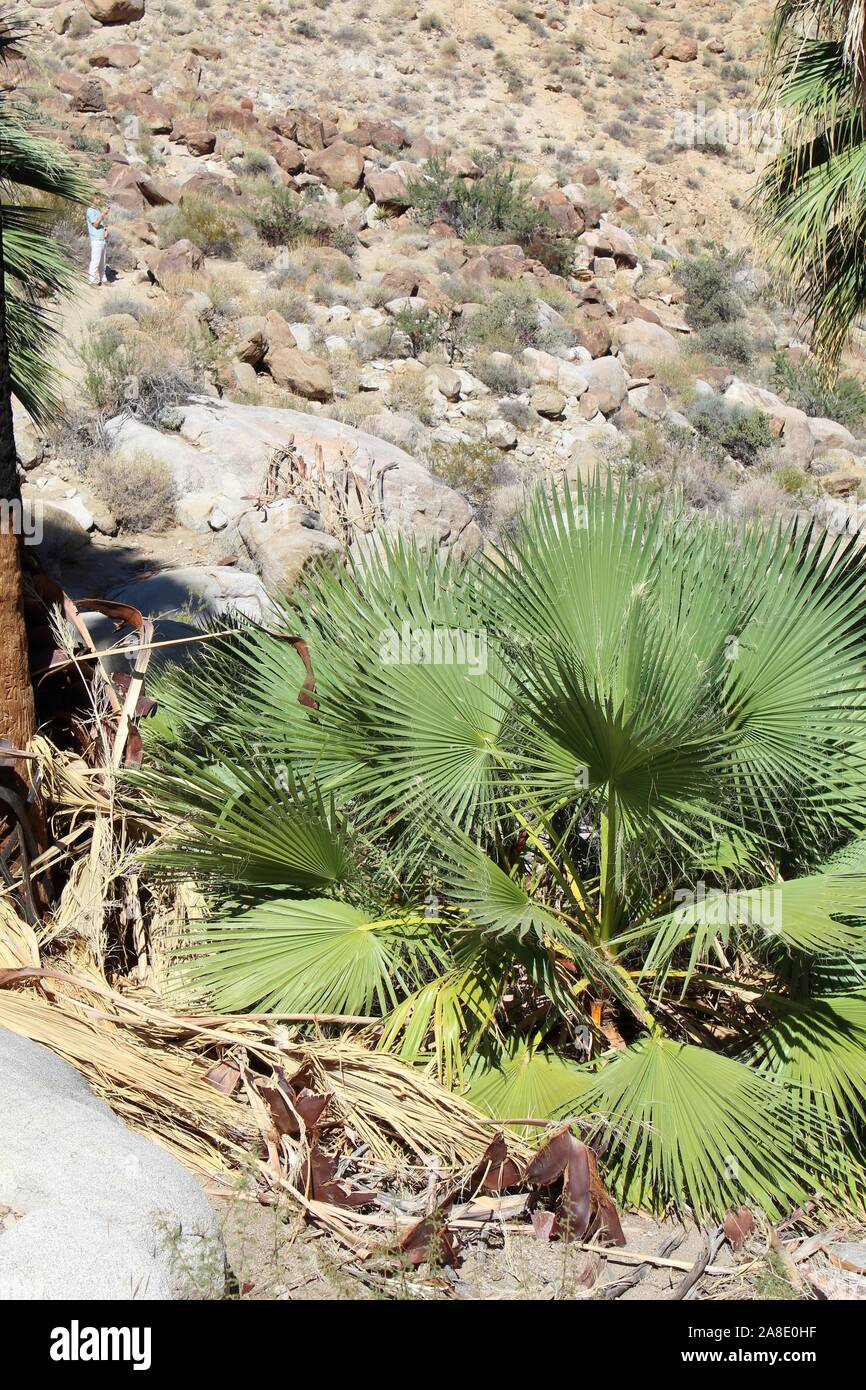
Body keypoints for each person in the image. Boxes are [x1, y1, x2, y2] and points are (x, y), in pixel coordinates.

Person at [85, 204, 108, 286]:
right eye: (97, 198)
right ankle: (91, 281)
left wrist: (105, 231)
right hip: (96, 240)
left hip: (102, 240)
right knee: (95, 262)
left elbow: (100, 225)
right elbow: (95, 224)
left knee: (103, 263)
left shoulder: (98, 211)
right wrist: (103, 214)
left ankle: (104, 280)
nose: (99, 200)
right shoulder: (90, 210)